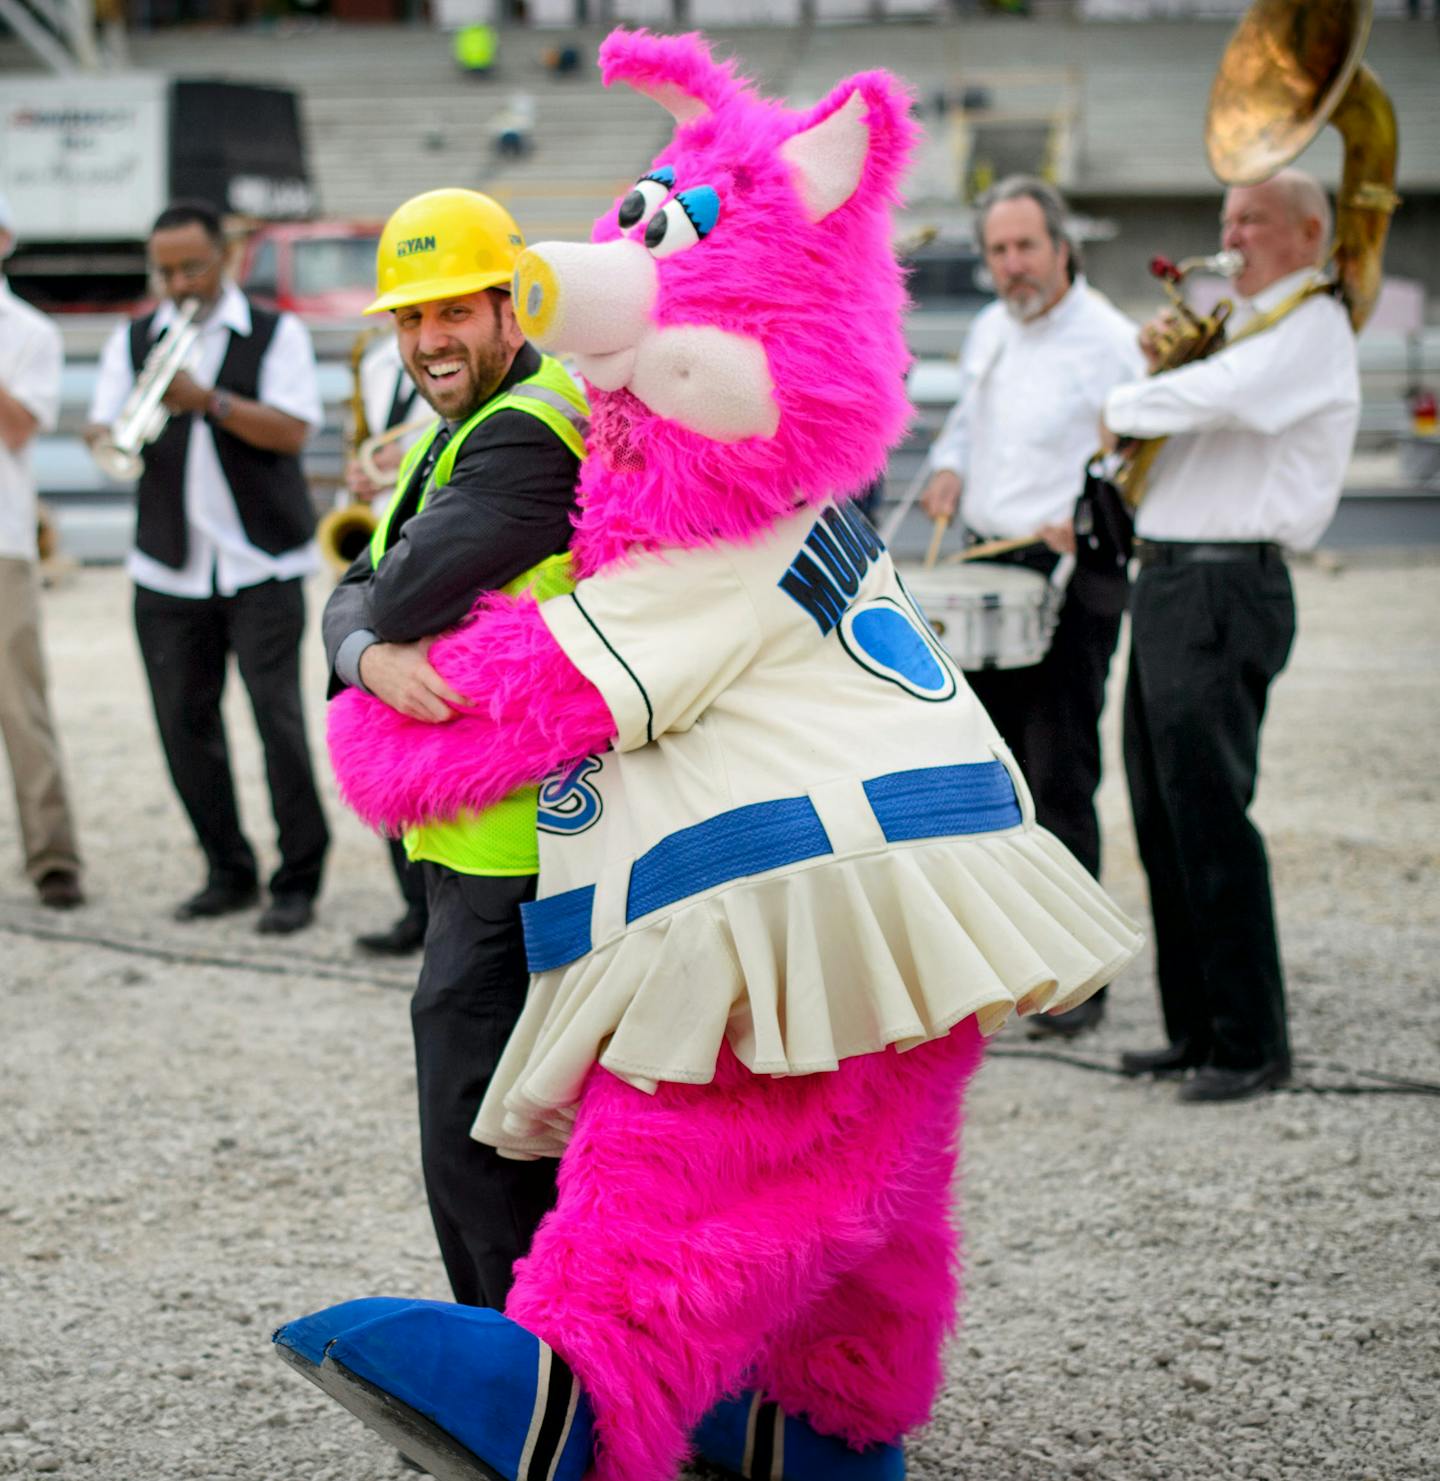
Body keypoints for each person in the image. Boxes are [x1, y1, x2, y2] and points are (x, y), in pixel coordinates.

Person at [322, 188, 586, 1310]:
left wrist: (363, 636)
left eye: (452, 312)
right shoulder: (474, 424)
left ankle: (521, 1383)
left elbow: (399, 587)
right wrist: (368, 651)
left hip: (519, 842)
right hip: (490, 827)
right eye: (408, 319)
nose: (428, 341)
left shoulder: (529, 433)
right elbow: (361, 595)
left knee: (481, 1133)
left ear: (508, 306)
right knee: (508, 1122)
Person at [1102, 168, 1360, 1104]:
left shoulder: (1312, 324)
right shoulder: (1249, 326)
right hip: (1173, 579)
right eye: (1225, 217)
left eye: (1251, 218)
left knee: (1209, 813)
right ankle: (1196, 1027)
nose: (1232, 233)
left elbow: (1228, 400)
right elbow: (1202, 399)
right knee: (1163, 810)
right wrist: (1162, 372)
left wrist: (1131, 398)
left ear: (1307, 234)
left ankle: (1251, 1039)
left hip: (1224, 583)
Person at [920, 175, 1144, 1035]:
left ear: (1062, 247)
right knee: (990, 779)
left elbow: (1137, 460)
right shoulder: (988, 330)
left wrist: (1084, 520)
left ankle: (1079, 982)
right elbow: (968, 429)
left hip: (1065, 574)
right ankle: (1007, 963)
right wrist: (947, 464)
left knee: (1060, 774)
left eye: (1026, 247)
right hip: (986, 560)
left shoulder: (1112, 342)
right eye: (999, 251)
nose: (1013, 265)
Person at [86, 199, 329, 934]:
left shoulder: (274, 331)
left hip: (262, 562)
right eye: (164, 270)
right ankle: (226, 869)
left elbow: (292, 430)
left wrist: (209, 401)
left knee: (277, 724)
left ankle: (298, 878)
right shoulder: (134, 339)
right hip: (167, 569)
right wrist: (121, 421)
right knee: (184, 727)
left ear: (224, 258)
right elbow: (102, 426)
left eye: (191, 266)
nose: (178, 283)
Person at [0, 191, 84, 911]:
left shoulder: (27, 331)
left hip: (3, 540)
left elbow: (21, 425)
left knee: (20, 706)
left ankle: (53, 856)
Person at [344, 331, 429, 956]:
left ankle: (437, 904)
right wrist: (365, 474)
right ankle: (412, 906)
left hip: (429, 558)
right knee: (383, 740)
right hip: (382, 552)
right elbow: (374, 442)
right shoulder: (375, 360)